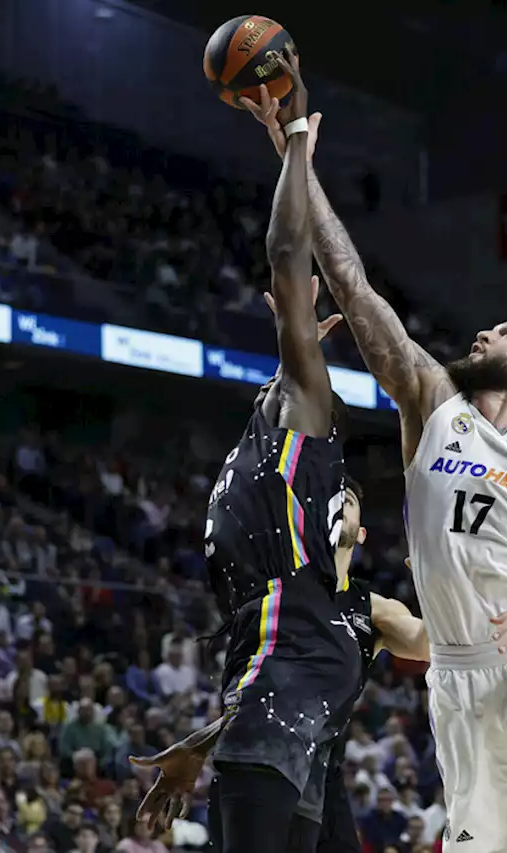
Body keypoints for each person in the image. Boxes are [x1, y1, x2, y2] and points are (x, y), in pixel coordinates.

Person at [241, 97, 507, 853]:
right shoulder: (432, 403)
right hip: (460, 682)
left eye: (506, 331)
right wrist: (296, 158)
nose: (483, 332)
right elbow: (351, 280)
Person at [180, 49, 362, 853]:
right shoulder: (271, 418)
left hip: (290, 671)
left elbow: (290, 259)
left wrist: (293, 140)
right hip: (287, 678)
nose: (294, 306)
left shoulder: (306, 404)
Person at [130, 479, 429, 853]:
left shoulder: (374, 608)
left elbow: (433, 644)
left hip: (322, 777)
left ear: (363, 533)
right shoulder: (278, 592)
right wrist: (198, 746)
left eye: (347, 500)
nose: (336, 504)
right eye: (327, 498)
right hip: (264, 763)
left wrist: (437, 582)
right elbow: (258, 697)